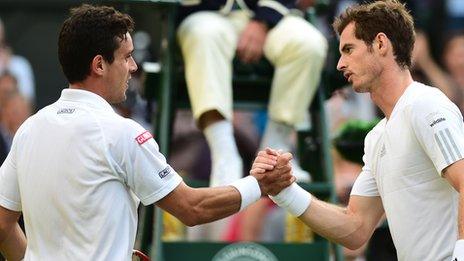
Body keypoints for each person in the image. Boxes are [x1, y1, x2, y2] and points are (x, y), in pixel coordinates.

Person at [0, 5, 295, 260]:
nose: (133, 66)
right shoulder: (122, 133)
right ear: (100, 65)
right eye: (126, 57)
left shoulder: (28, 130)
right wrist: (260, 185)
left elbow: (2, 226)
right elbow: (192, 209)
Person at [252, 1, 464, 260]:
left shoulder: (424, 105)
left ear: (381, 44)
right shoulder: (377, 138)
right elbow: (355, 228)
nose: (340, 64)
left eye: (349, 50)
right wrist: (284, 190)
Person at [177, 0, 328, 187]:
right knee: (203, 35)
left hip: (272, 11)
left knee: (308, 44)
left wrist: (263, 20)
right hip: (206, 12)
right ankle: (224, 156)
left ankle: (273, 152)